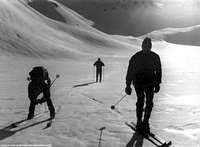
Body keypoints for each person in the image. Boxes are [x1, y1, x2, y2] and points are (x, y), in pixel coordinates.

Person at [125, 37, 162, 133]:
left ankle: (145, 122)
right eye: (145, 45)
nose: (146, 47)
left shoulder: (155, 57)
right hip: (138, 83)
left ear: (150, 46)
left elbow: (158, 71)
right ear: (142, 46)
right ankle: (139, 122)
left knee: (149, 102)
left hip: (150, 83)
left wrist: (157, 84)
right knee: (141, 101)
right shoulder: (136, 57)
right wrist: (128, 85)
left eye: (148, 46)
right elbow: (130, 71)